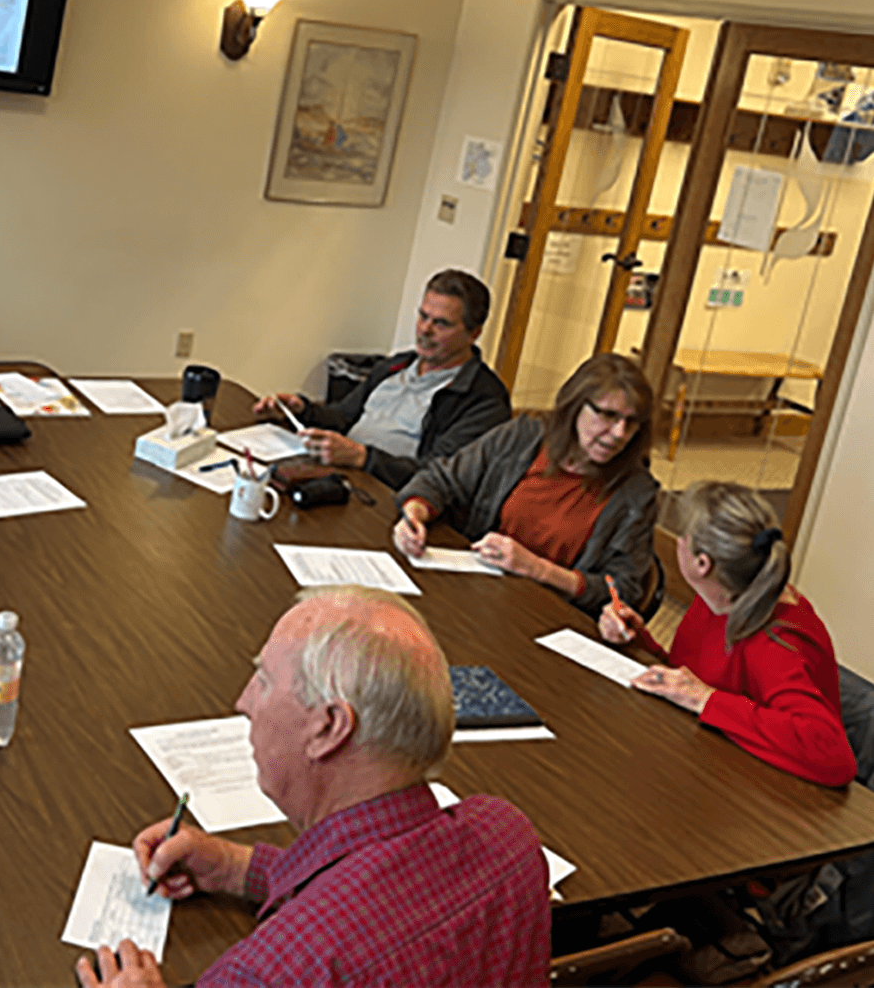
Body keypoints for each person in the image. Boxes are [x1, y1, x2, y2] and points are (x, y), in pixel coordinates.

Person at [79, 587, 550, 988]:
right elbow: (386, 895)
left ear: (328, 727)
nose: (243, 701)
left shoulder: (266, 974)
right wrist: (236, 868)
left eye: (264, 681)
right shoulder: (510, 838)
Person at [601, 481, 856, 788]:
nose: (679, 542)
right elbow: (695, 677)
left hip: (756, 792)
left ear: (702, 563)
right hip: (704, 760)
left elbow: (832, 754)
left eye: (684, 537)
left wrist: (706, 699)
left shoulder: (777, 642)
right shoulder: (722, 594)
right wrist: (638, 640)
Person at [394, 353, 659, 616]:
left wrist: (538, 569)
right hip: (476, 590)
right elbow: (441, 479)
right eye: (609, 415)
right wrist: (414, 515)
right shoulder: (524, 437)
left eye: (631, 422)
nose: (619, 433)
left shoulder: (636, 491)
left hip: (546, 616)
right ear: (575, 406)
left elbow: (622, 589)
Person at [252, 269, 511, 490]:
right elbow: (344, 416)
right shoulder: (396, 365)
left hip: (388, 496)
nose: (425, 330)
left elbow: (441, 475)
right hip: (340, 476)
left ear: (473, 334)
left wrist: (362, 457)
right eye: (423, 316)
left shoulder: (484, 400)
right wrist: (301, 410)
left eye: (441, 324)